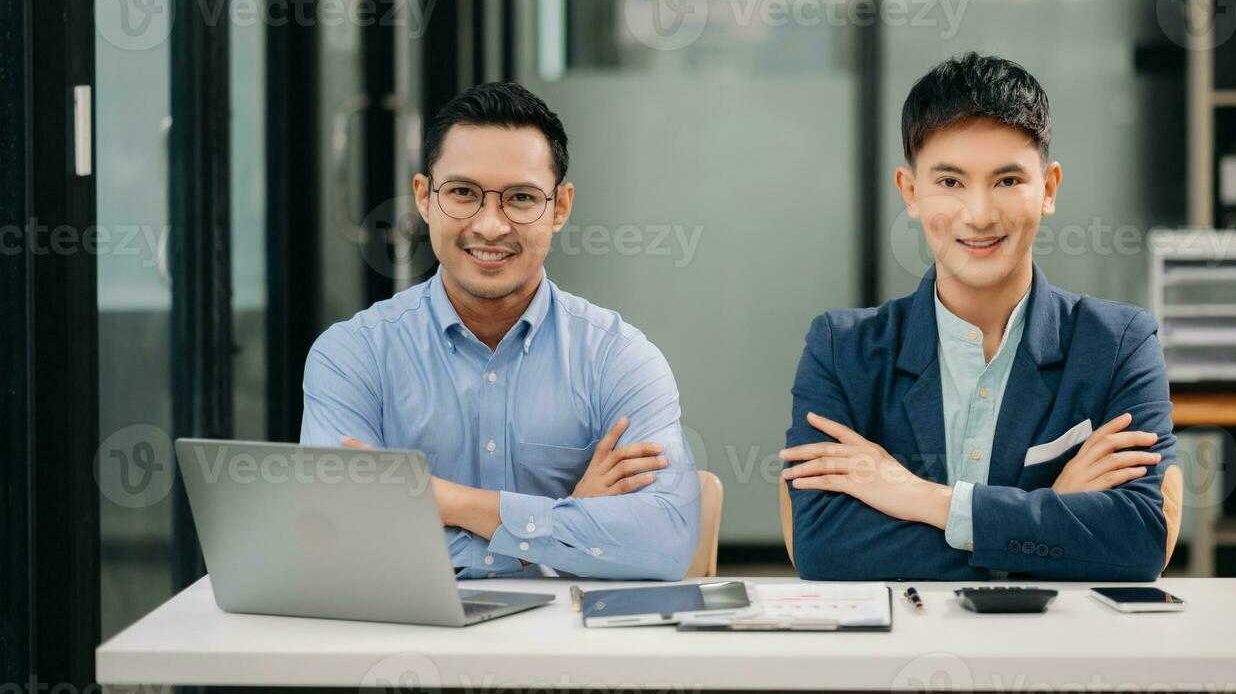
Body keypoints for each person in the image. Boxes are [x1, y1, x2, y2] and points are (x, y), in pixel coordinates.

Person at [781, 53, 1177, 582]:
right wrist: (1046, 513)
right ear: (910, 192)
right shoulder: (841, 350)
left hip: (1064, 652)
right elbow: (823, 544)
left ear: (1049, 189)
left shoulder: (1119, 344)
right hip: (890, 655)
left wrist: (918, 498)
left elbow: (1139, 539)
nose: (980, 214)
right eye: (949, 182)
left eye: (1008, 181)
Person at [301, 82, 700, 581]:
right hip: (408, 643)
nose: (490, 226)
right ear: (424, 198)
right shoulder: (352, 356)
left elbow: (664, 543)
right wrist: (561, 527)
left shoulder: (618, 360)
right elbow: (337, 541)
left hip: (574, 651)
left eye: (521, 198)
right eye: (464, 193)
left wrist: (440, 499)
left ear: (560, 208)